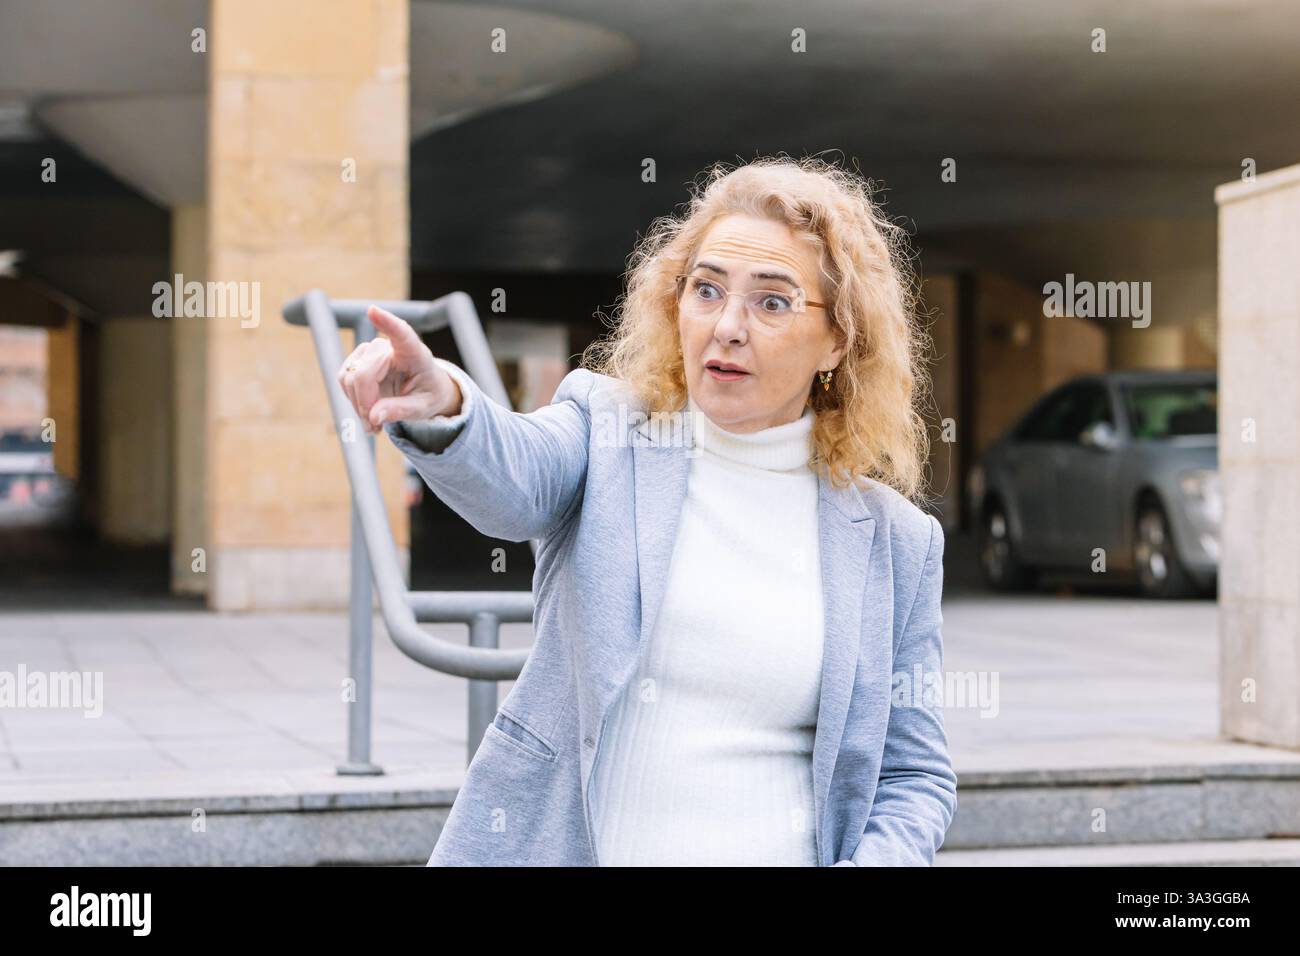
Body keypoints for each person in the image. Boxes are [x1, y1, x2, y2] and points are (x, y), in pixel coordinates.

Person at [337, 155, 956, 866]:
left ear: (839, 340)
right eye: (707, 289)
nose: (727, 326)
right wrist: (446, 403)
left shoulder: (897, 543)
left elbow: (914, 777)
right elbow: (512, 477)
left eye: (772, 302)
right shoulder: (605, 431)